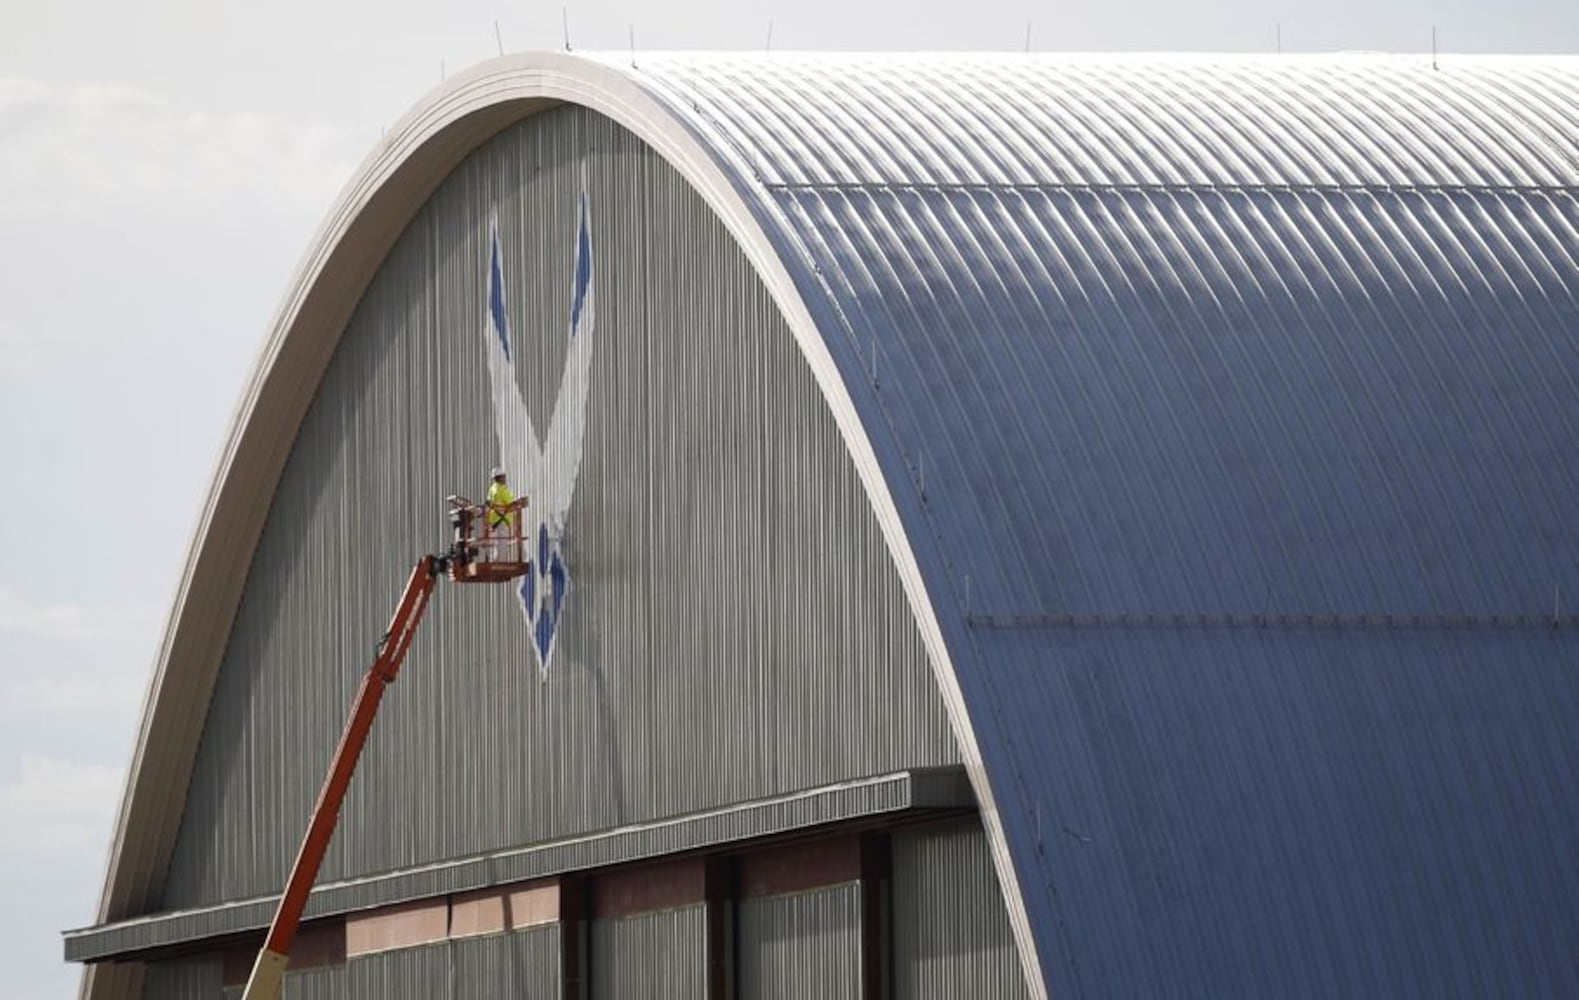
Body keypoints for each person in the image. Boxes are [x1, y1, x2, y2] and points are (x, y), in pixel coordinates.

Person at [483, 468, 528, 553]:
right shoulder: (502, 490)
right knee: (502, 547)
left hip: (494, 521)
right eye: (504, 477)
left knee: (496, 546)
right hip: (502, 521)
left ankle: (496, 563)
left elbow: (488, 503)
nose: (505, 479)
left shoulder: (492, 489)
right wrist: (520, 502)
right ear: (500, 478)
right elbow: (510, 504)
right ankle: (499, 566)